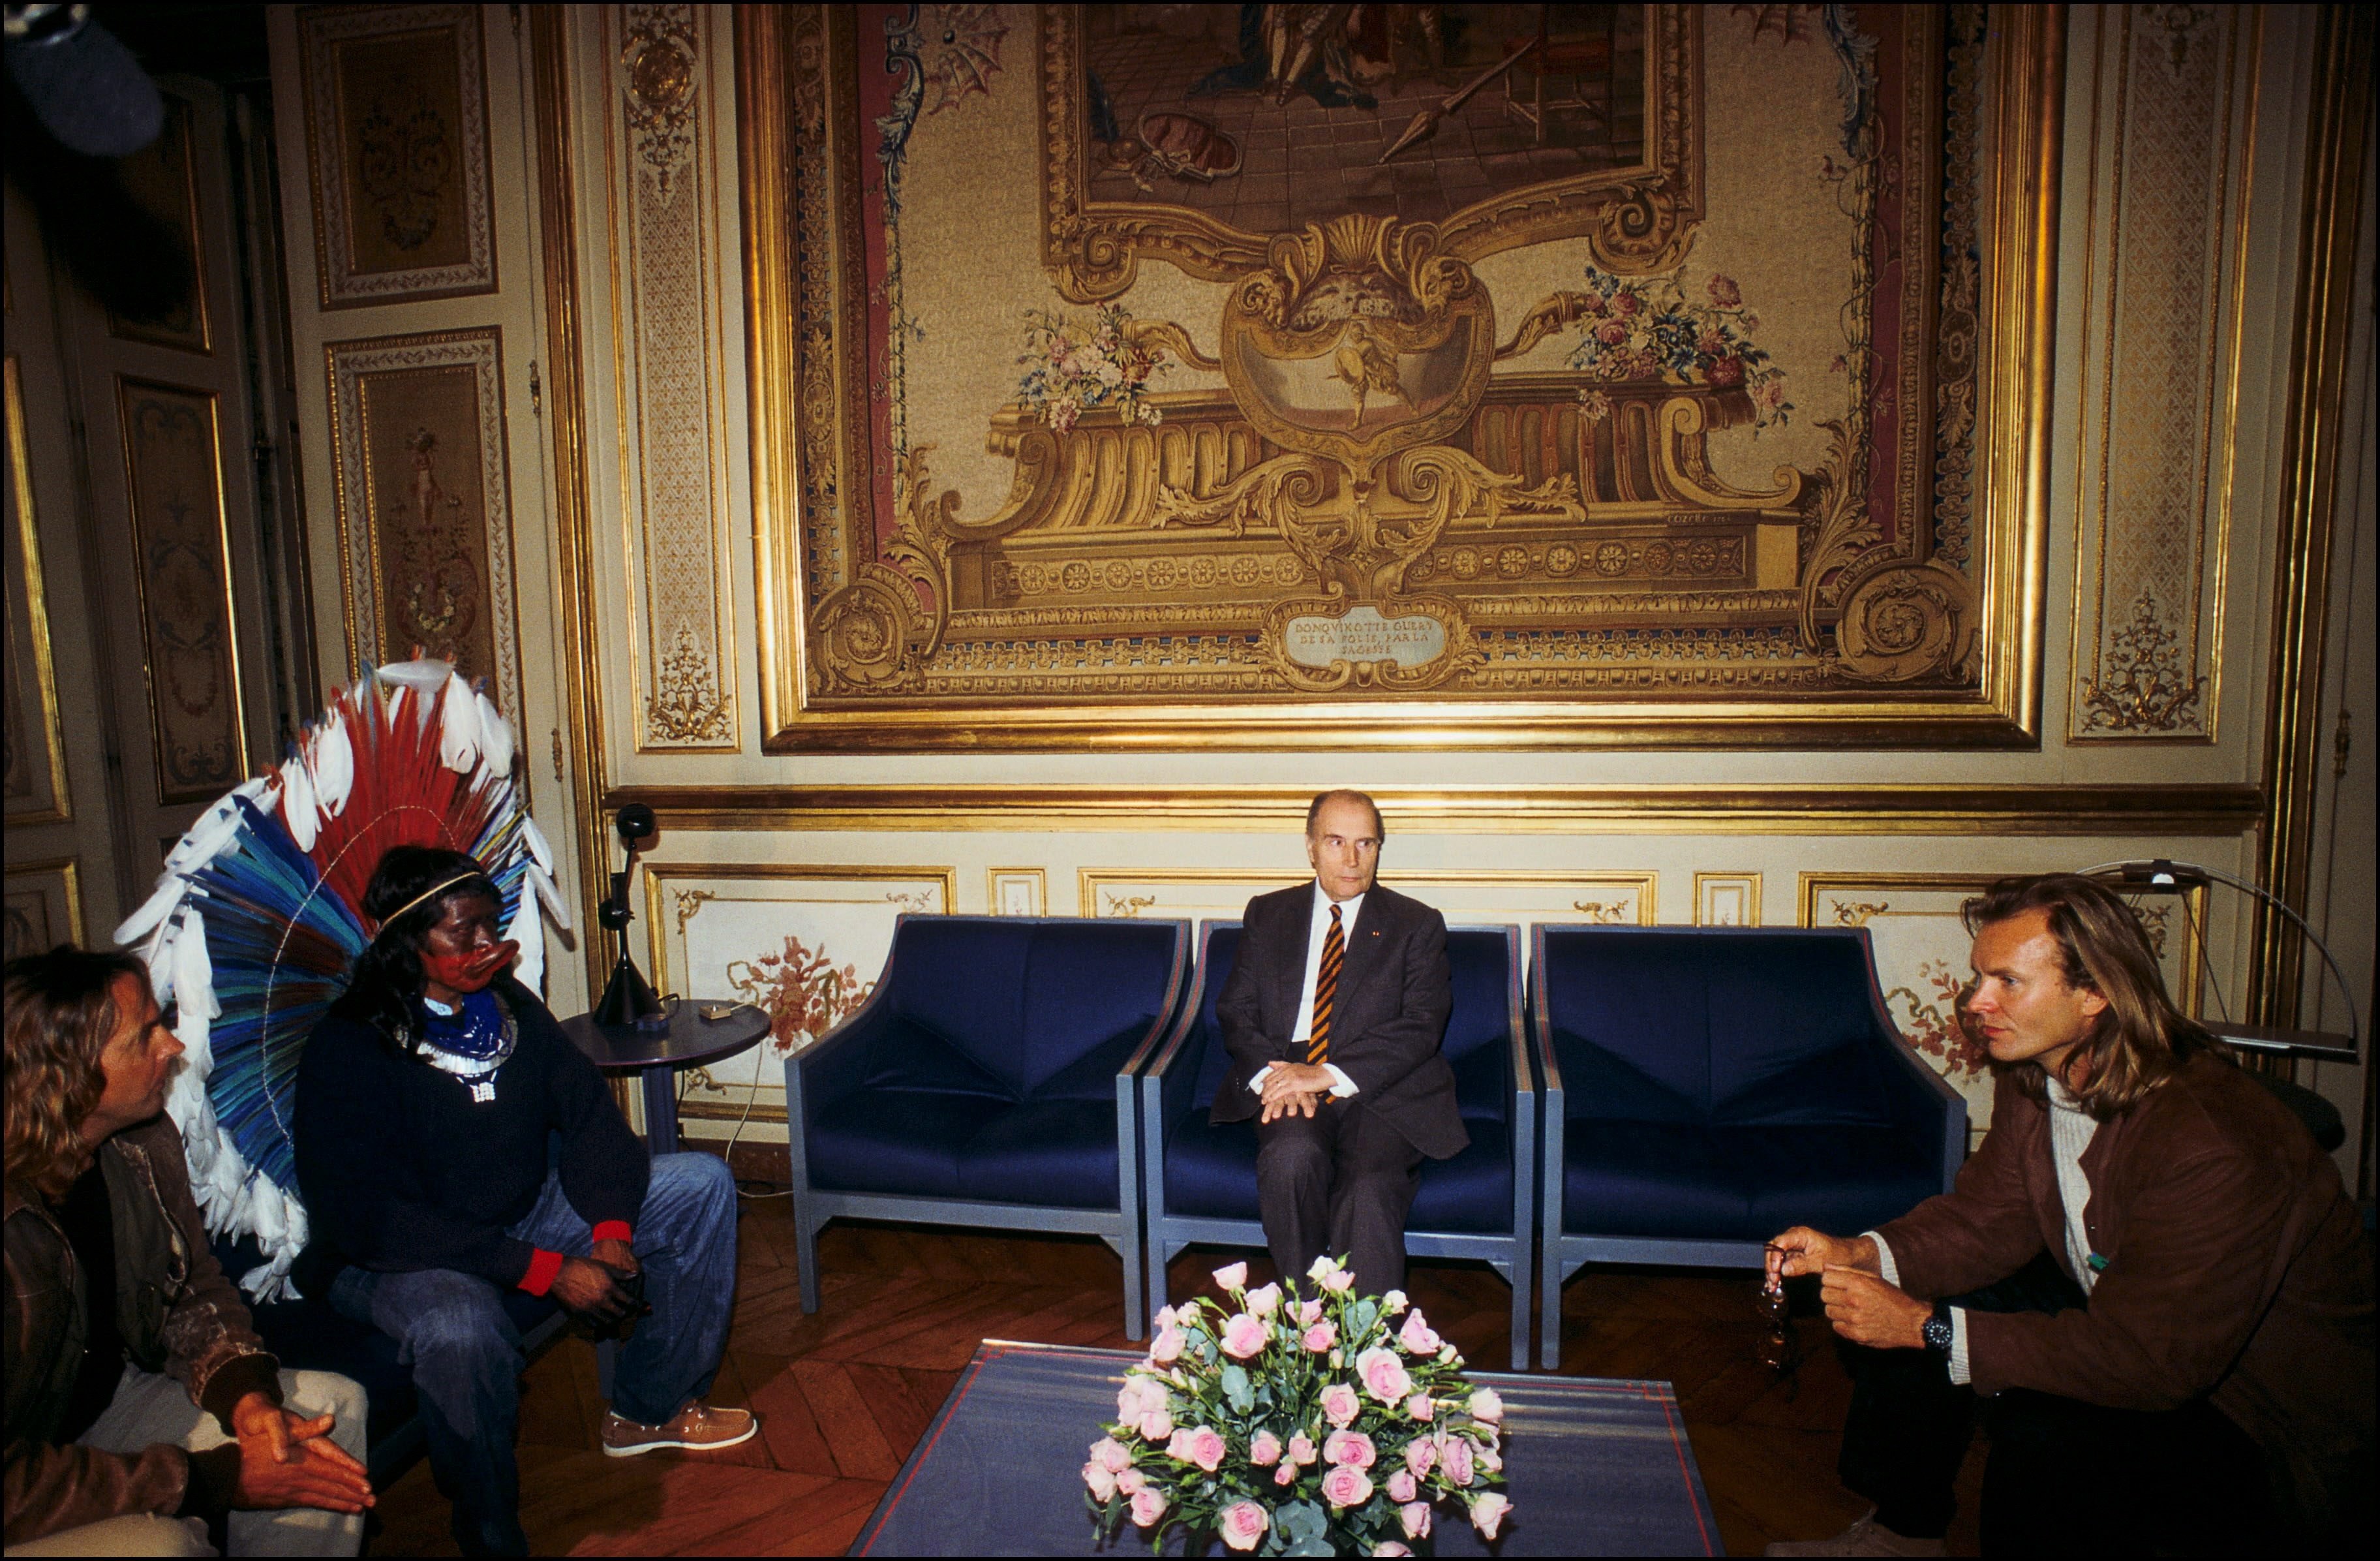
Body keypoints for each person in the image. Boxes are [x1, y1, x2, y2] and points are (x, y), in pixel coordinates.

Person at [1763, 874, 2374, 1557]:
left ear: (2095, 993)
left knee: (2042, 1425)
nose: (1975, 1002)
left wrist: (1925, 1329)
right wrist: (1858, 1255)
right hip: (2127, 1315)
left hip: (2255, 1416)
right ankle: (1904, 1534)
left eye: (2007, 982)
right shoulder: (2039, 1072)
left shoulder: (2214, 1140)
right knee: (1908, 1302)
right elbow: (1986, 1222)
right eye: (1977, 977)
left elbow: (2149, 1360)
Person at [292, 846, 753, 1558]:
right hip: (396, 1255)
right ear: (404, 940)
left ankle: (648, 1409)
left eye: (492, 925)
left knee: (701, 1187)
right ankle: (487, 1528)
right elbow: (371, 1216)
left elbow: (590, 1117)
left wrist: (608, 1228)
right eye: (463, 933)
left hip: (516, 1214)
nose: (489, 946)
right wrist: (543, 1269)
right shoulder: (350, 1047)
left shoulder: (509, 1007)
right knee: (460, 1330)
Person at [5, 947, 374, 1557]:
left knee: (331, 1410)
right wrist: (207, 1480)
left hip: (92, 1411)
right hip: (24, 1478)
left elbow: (190, 1292)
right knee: (165, 1544)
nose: (172, 1047)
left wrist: (247, 1397)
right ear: (67, 1069)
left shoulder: (139, 1144)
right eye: (145, 1034)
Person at [1212, 788, 1461, 1295]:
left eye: (1366, 844)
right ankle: (1307, 1324)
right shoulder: (1268, 914)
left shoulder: (1416, 924)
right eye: (1336, 842)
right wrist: (1278, 1077)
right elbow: (1236, 1012)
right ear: (1310, 847)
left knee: (1369, 1188)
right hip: (1287, 1073)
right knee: (1290, 1160)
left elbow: (1421, 1024)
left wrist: (1325, 1073)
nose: (1352, 859)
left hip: (1384, 1087)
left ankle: (1366, 1349)